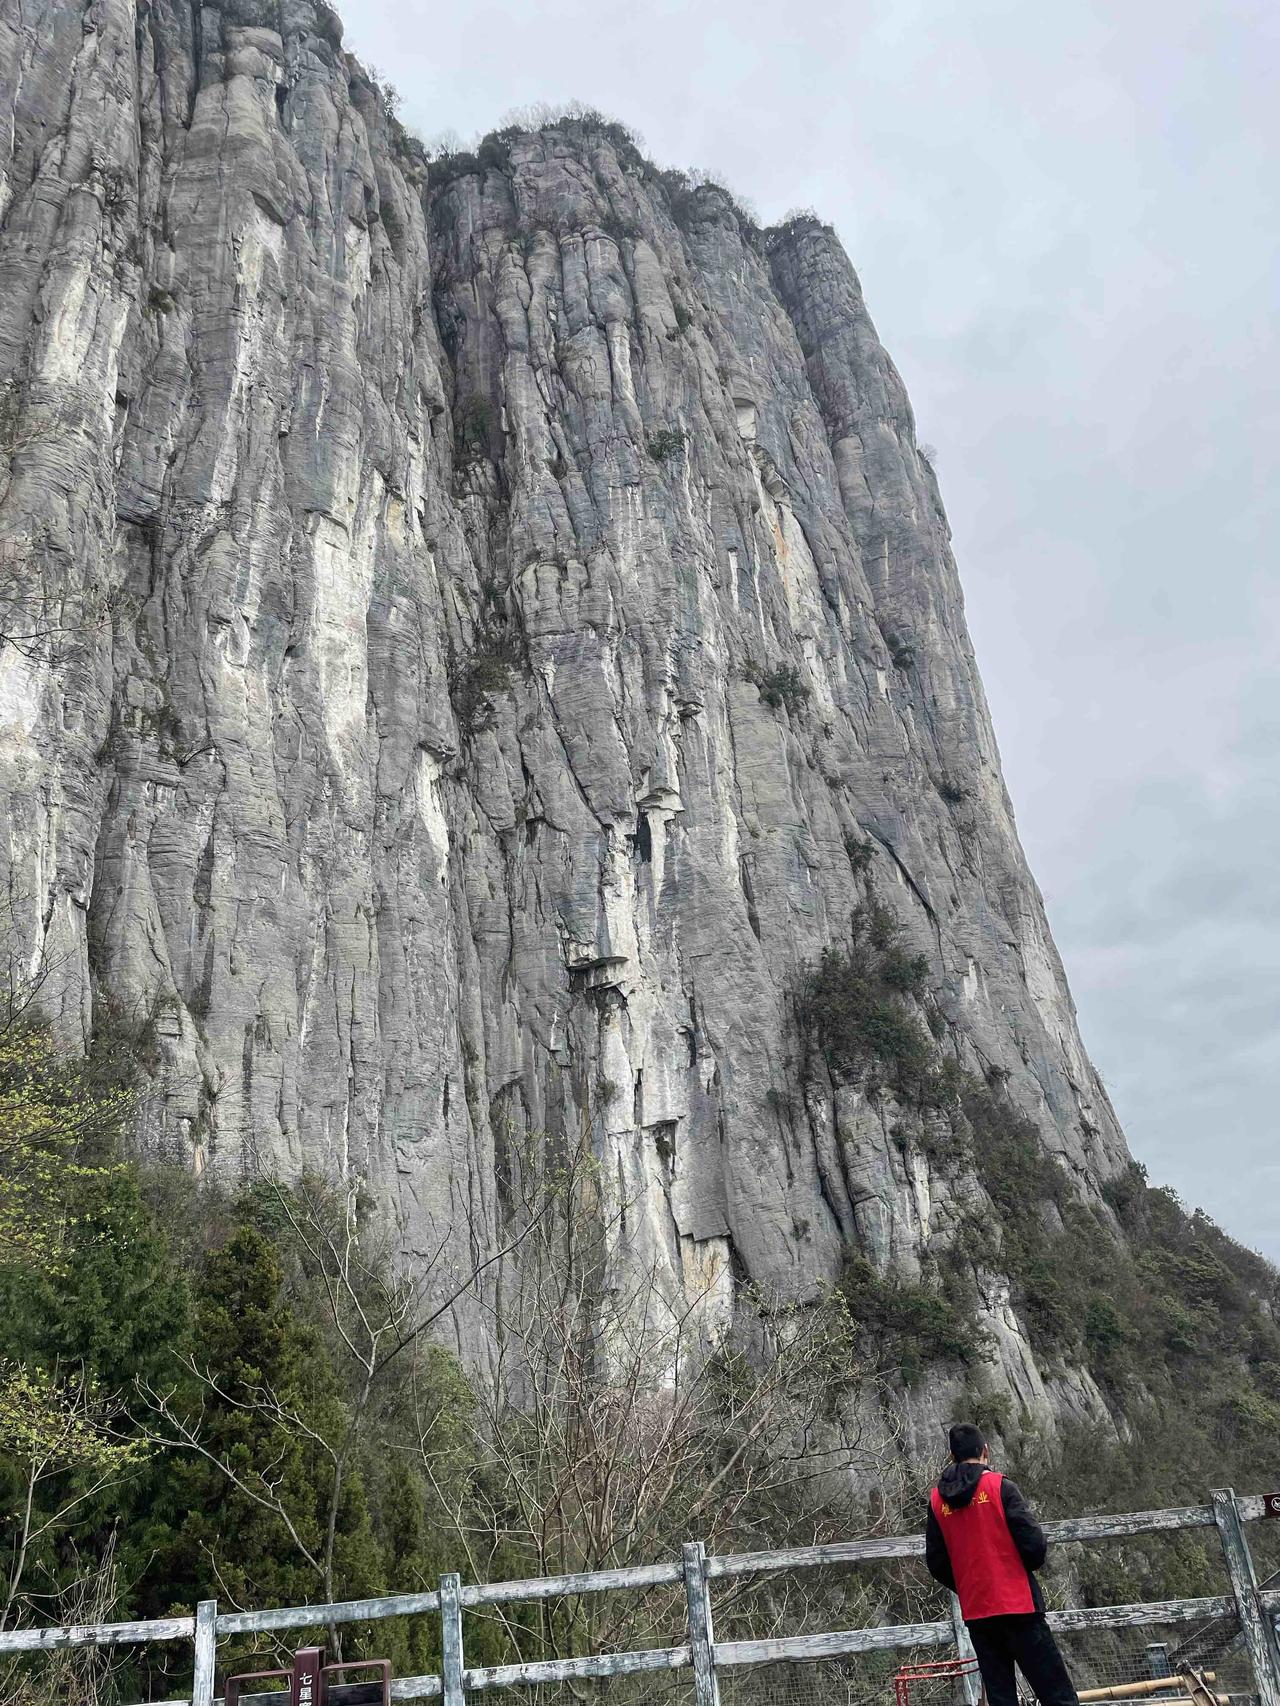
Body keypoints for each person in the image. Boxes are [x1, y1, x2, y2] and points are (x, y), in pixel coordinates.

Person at [925, 1422, 1079, 1706]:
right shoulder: (1000, 1486)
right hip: (1018, 1605)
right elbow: (1034, 1546)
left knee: (1001, 1697)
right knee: (1056, 1693)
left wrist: (968, 1585)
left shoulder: (937, 1502)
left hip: (977, 1612)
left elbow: (936, 1562)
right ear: (985, 1451)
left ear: (951, 1457)